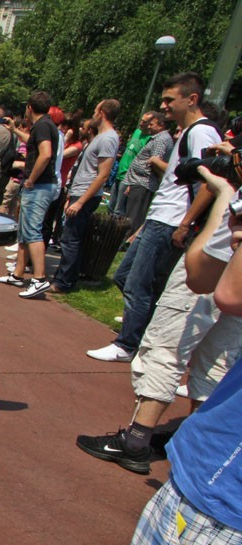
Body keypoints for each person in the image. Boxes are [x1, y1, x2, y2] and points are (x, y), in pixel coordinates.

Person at [91, 204, 242, 545]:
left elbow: (224, 288)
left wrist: (225, 207)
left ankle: (137, 439)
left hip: (222, 505)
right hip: (218, 487)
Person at [77, 165, 242, 475]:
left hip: (215, 265)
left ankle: (135, 441)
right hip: (234, 284)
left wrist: (222, 194)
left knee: (166, 347)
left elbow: (198, 276)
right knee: (218, 359)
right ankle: (194, 444)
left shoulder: (233, 203)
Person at [88, 72, 222, 362]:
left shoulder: (201, 133)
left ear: (192, 99)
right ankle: (141, 331)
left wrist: (185, 223)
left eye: (169, 100)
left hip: (171, 222)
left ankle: (128, 344)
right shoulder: (188, 132)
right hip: (161, 218)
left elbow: (209, 184)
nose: (163, 106)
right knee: (126, 277)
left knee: (139, 284)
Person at [0, 92, 60, 299]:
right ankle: (18, 274)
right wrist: (15, 130)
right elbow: (34, 143)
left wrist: (31, 179)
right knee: (25, 231)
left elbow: (45, 153)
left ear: (30, 107)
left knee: (32, 232)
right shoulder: (45, 126)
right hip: (41, 185)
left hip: (39, 185)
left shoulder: (42, 126)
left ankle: (39, 278)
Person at [51, 99, 121, 294]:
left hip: (85, 195)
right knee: (71, 237)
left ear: (102, 113)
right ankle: (68, 277)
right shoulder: (101, 137)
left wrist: (80, 201)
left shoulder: (108, 139)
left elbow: (103, 174)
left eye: (95, 111)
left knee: (71, 239)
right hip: (79, 192)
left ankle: (64, 282)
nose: (93, 115)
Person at [118, 112, 173, 234]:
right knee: (128, 215)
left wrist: (144, 174)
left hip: (143, 184)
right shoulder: (157, 138)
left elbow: (156, 162)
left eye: (152, 124)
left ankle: (128, 239)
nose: (148, 126)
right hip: (137, 182)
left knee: (133, 218)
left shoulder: (162, 140)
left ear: (161, 125)